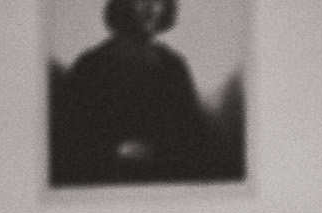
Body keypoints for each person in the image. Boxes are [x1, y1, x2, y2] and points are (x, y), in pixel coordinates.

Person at [50, 0, 230, 188]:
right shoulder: (92, 65)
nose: (151, 8)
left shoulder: (173, 66)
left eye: (159, 1)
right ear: (123, 5)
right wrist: (115, 151)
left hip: (167, 184)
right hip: (107, 183)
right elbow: (70, 141)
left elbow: (192, 137)